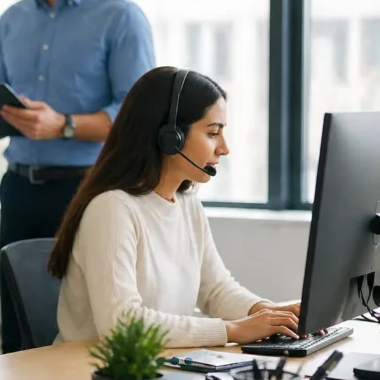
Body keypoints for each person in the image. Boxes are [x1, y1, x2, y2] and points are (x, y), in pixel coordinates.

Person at [0, 0, 155, 354]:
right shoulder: (10, 21)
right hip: (19, 190)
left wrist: (62, 125)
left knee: (85, 328)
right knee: (20, 328)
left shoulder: (120, 17)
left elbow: (138, 116)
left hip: (88, 191)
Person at [49, 67, 301, 347]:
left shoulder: (187, 203)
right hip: (91, 376)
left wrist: (267, 312)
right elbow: (120, 324)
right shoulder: (112, 209)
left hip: (158, 368)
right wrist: (233, 330)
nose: (224, 148)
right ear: (170, 137)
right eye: (213, 133)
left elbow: (214, 289)